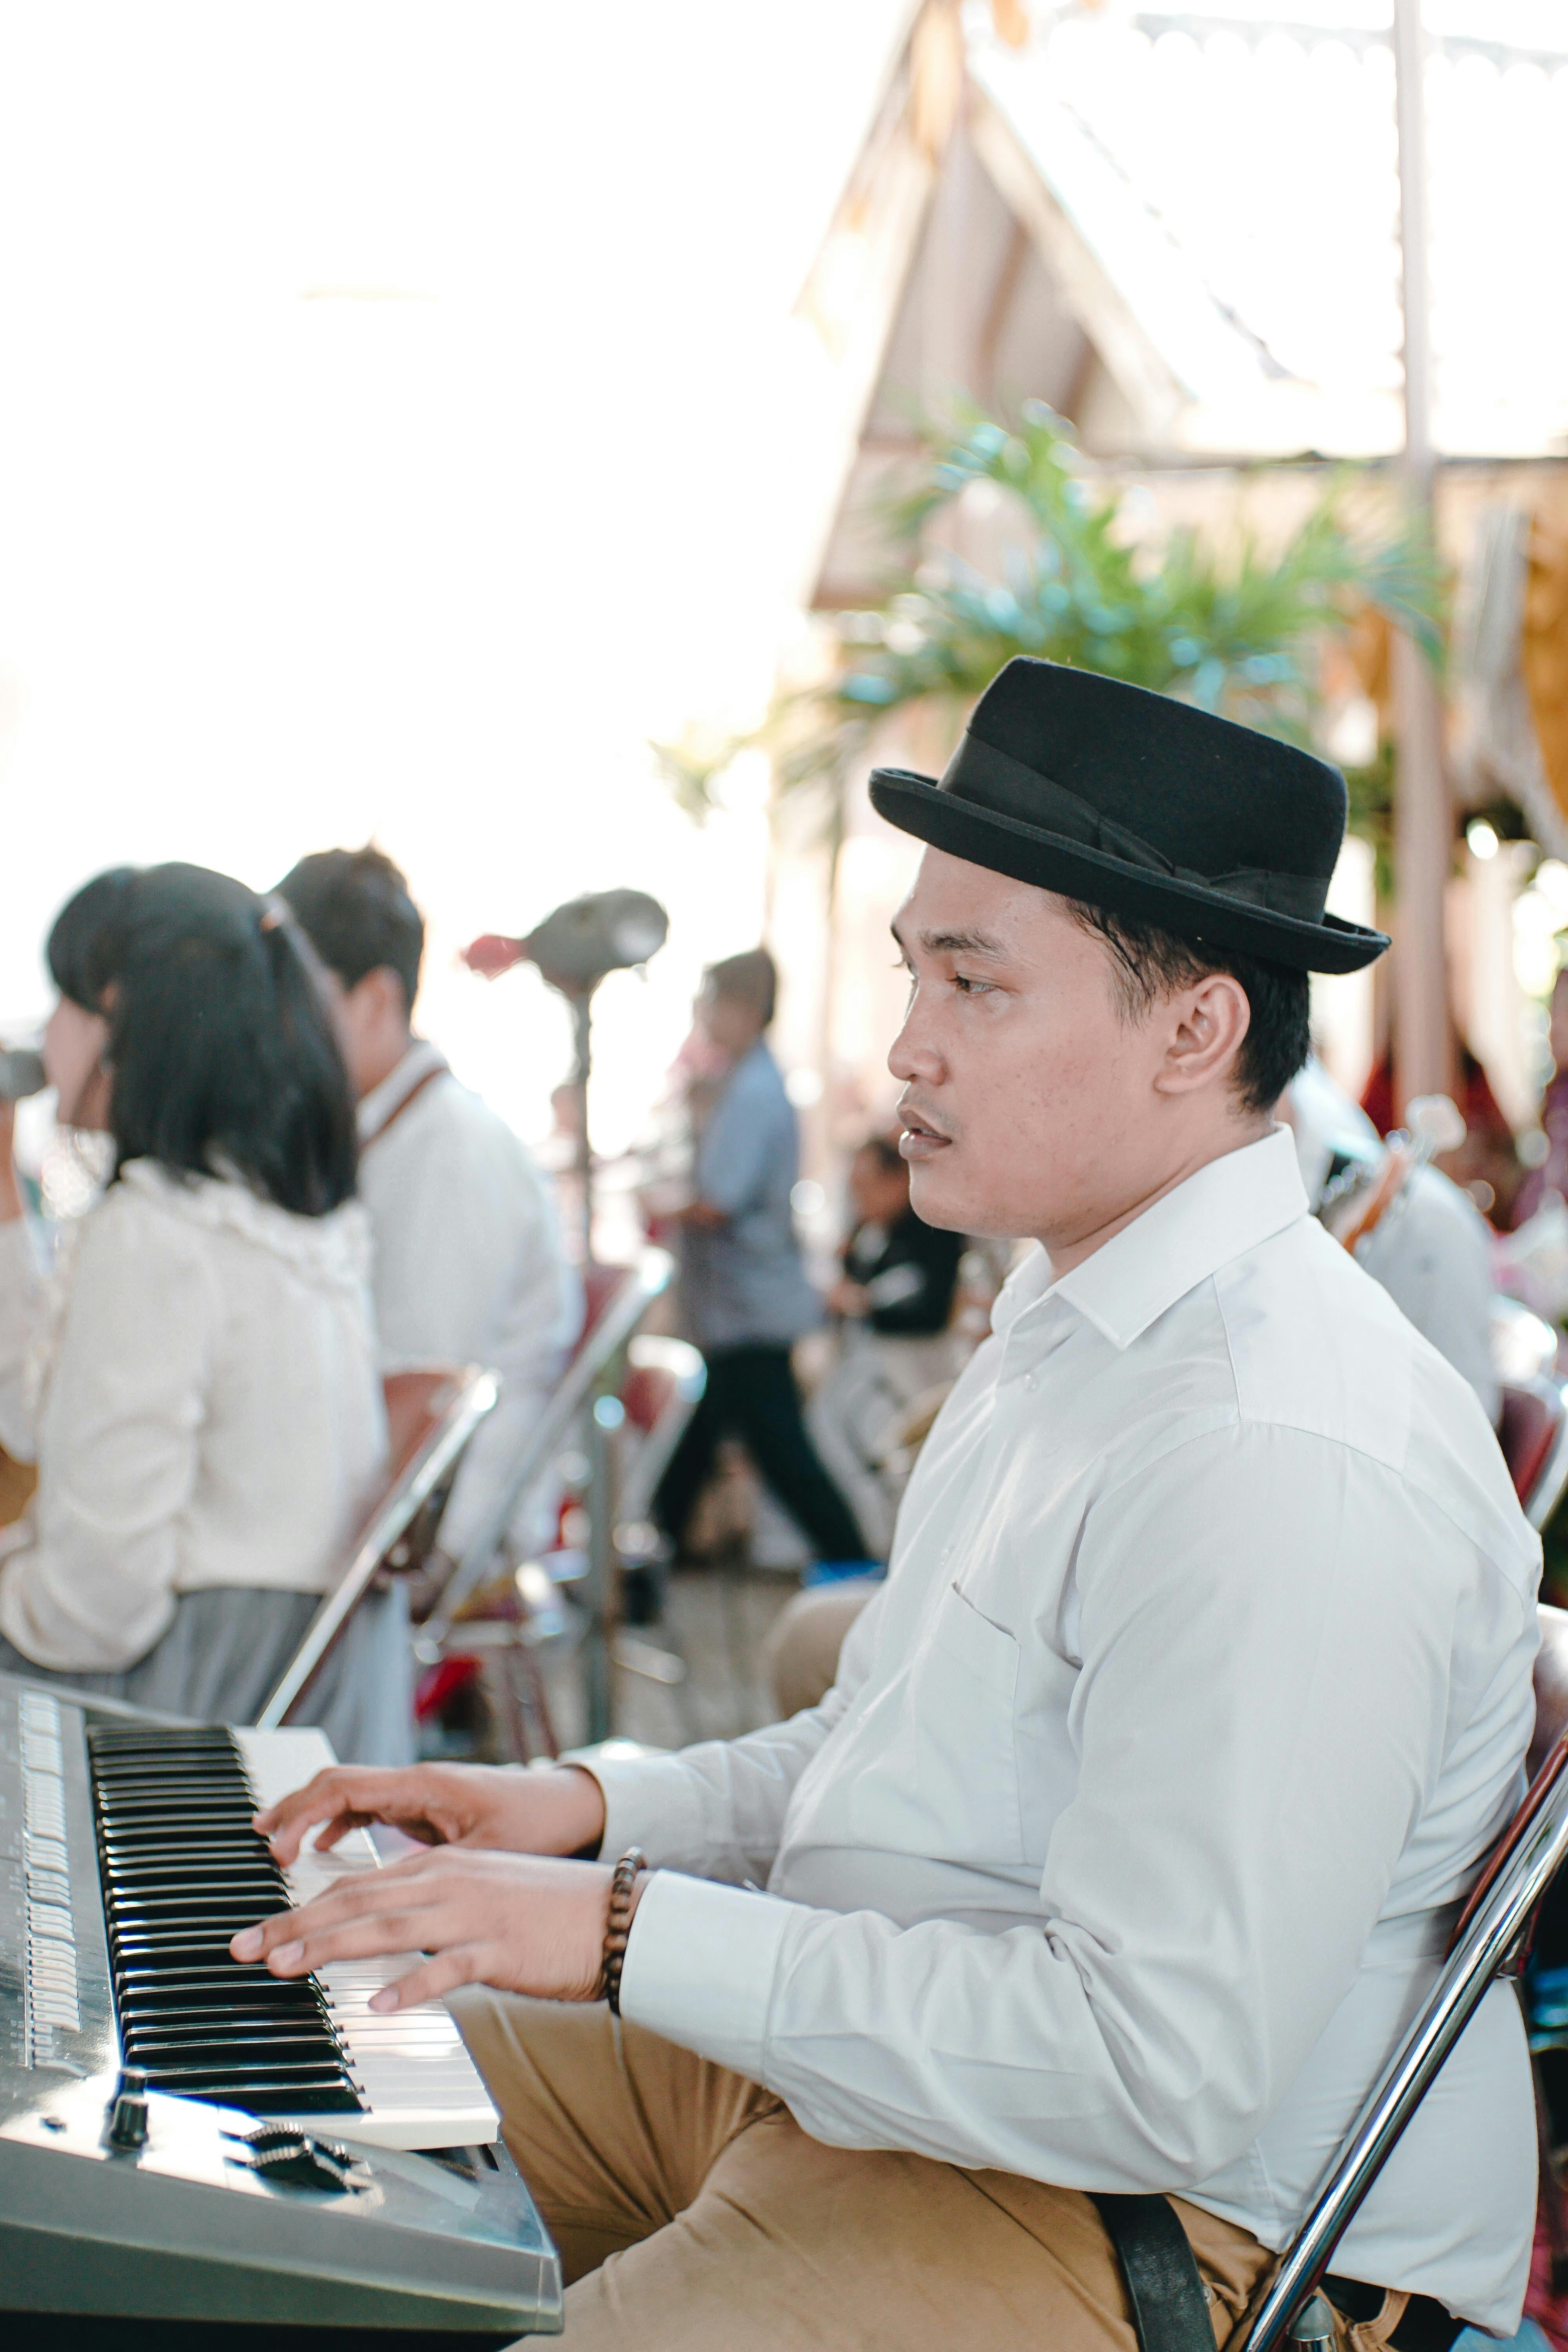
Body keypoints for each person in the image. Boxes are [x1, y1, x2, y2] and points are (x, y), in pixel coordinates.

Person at [233, 661, 1539, 2351]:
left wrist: (624, 1932)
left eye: (974, 984)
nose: (907, 1044)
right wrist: (579, 1811)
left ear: (1195, 1026)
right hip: (910, 2080)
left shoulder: (1271, 1442)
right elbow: (888, 1750)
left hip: (1176, 2221)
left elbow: (1153, 2073)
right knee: (295, 2076)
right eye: (917, 969)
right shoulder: (1073, 1319)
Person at [0, 863, 399, 1757]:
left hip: (186, 1696)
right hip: (296, 1691)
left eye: (63, 1002)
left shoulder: (154, 1234)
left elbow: (93, 1608)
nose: (45, 1034)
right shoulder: (277, 1213)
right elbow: (38, 1423)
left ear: (119, 1019)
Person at [275, 847, 581, 1564]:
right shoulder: (395, 1128)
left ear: (376, 999)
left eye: (294, 1000)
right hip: (397, 1503)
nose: (274, 1031)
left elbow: (413, 1403)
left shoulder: (448, 1153)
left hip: (450, 1535)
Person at [651, 947, 874, 1576]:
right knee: (708, 1442)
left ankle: (854, 1565)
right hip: (739, 1309)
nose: (704, 1016)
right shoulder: (743, 1080)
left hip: (751, 1307)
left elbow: (718, 1200)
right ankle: (647, 1562)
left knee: (785, 1456)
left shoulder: (754, 1090)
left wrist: (662, 1201)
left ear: (744, 1009)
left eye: (712, 1003)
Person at [803, 1134, 965, 1562]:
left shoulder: (934, 1231)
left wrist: (859, 1303)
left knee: (902, 1468)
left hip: (911, 1374)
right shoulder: (869, 1234)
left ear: (897, 1182)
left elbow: (930, 1308)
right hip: (866, 1373)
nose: (861, 1200)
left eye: (868, 1187)